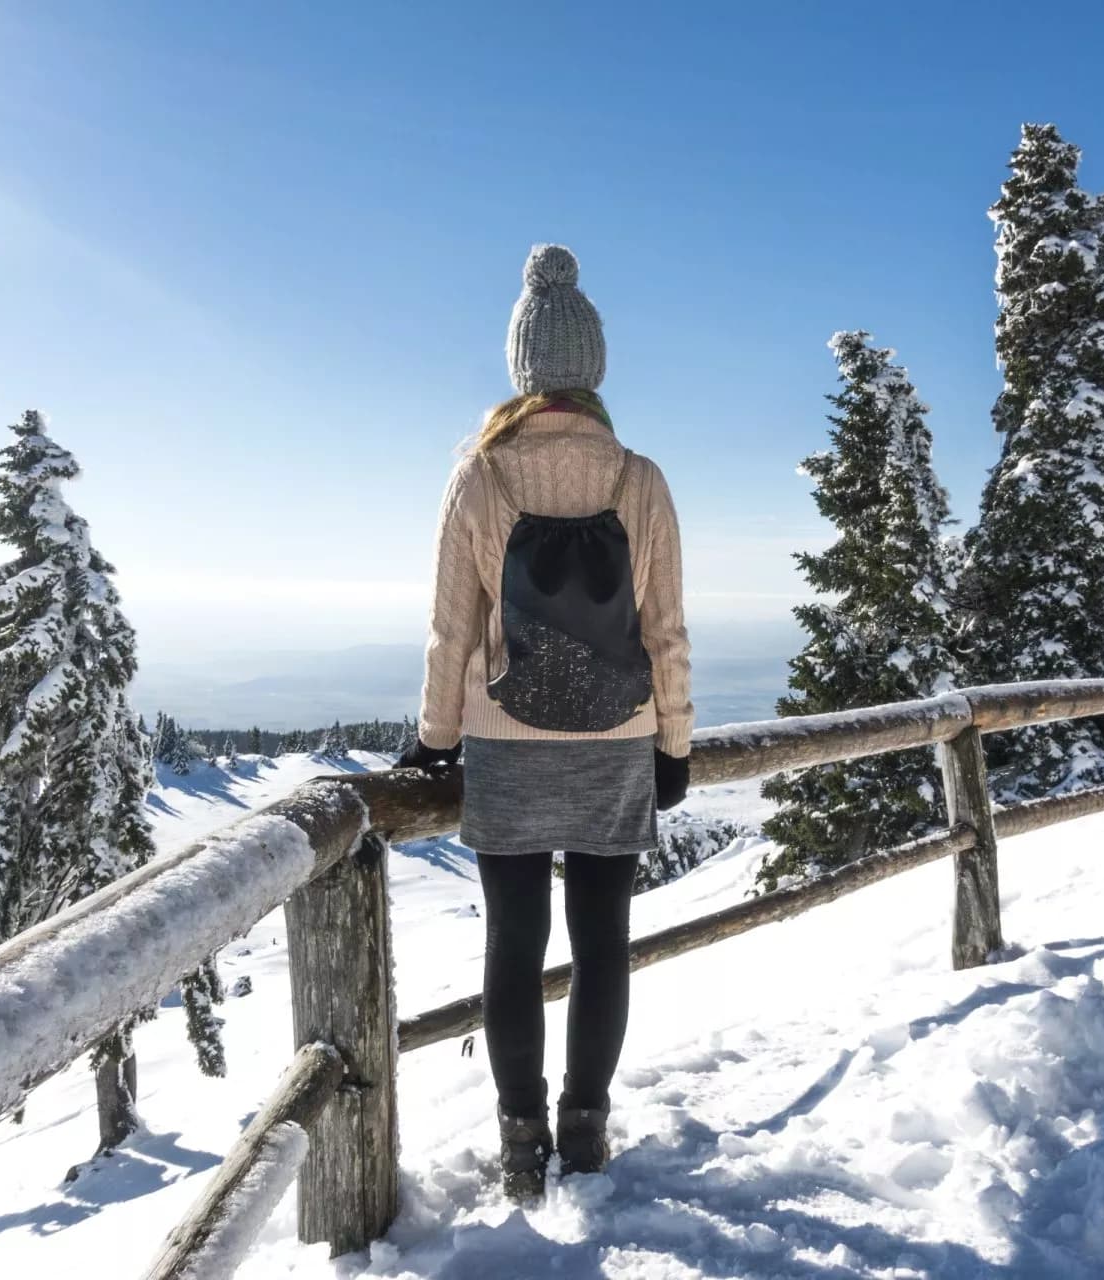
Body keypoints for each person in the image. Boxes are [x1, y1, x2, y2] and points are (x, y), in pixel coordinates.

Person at [398, 243, 694, 1201]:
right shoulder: (640, 479)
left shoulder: (480, 475)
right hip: (615, 736)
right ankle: (588, 1128)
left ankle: (522, 1140)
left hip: (507, 739)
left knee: (513, 946)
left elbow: (452, 632)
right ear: (595, 367)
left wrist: (438, 740)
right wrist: (674, 744)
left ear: (522, 367)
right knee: (603, 941)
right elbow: (667, 631)